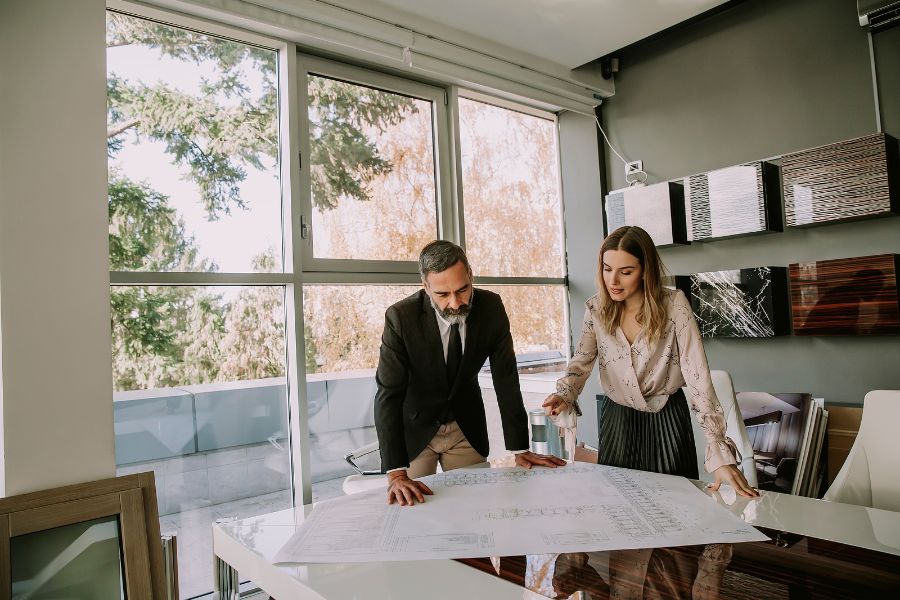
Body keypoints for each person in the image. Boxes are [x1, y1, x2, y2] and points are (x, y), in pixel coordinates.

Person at [543, 225, 758, 498]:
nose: (614, 281)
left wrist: (719, 452)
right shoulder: (596, 308)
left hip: (667, 417)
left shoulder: (674, 304)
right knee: (621, 507)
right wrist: (564, 394)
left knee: (677, 506)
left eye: (626, 272)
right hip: (617, 420)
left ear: (645, 270)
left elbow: (697, 375)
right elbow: (581, 363)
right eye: (607, 269)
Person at [375, 240, 565, 506]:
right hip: (416, 431)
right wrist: (396, 472)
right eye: (442, 294)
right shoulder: (400, 318)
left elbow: (506, 380)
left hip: (465, 428)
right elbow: (388, 394)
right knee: (413, 513)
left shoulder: (492, 308)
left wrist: (519, 448)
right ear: (426, 287)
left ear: (471, 276)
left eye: (462, 289)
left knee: (476, 510)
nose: (455, 303)